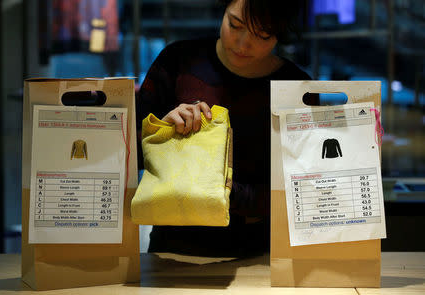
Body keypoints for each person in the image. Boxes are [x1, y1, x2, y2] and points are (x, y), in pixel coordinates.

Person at [136, 0, 319, 257]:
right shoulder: (179, 61)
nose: (243, 44)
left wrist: (223, 191)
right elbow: (129, 150)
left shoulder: (294, 87)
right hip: (173, 245)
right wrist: (162, 129)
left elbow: (299, 188)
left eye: (262, 35)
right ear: (223, 12)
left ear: (280, 33)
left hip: (259, 251)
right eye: (235, 25)